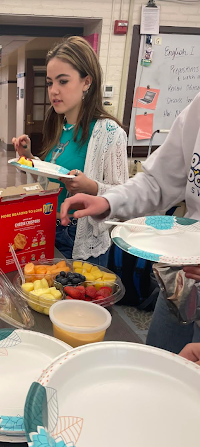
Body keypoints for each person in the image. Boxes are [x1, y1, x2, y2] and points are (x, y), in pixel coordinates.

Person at [59, 91, 200, 354]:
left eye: (63, 82)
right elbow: (157, 182)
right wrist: (109, 201)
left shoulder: (109, 131)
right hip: (184, 276)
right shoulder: (197, 111)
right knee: (158, 365)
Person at [12, 36, 129, 266]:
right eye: (49, 83)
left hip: (78, 236)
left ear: (87, 82)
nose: (53, 91)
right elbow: (53, 181)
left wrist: (91, 187)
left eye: (63, 81)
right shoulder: (59, 126)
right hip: (47, 227)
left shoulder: (109, 132)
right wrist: (29, 159)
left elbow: (124, 200)